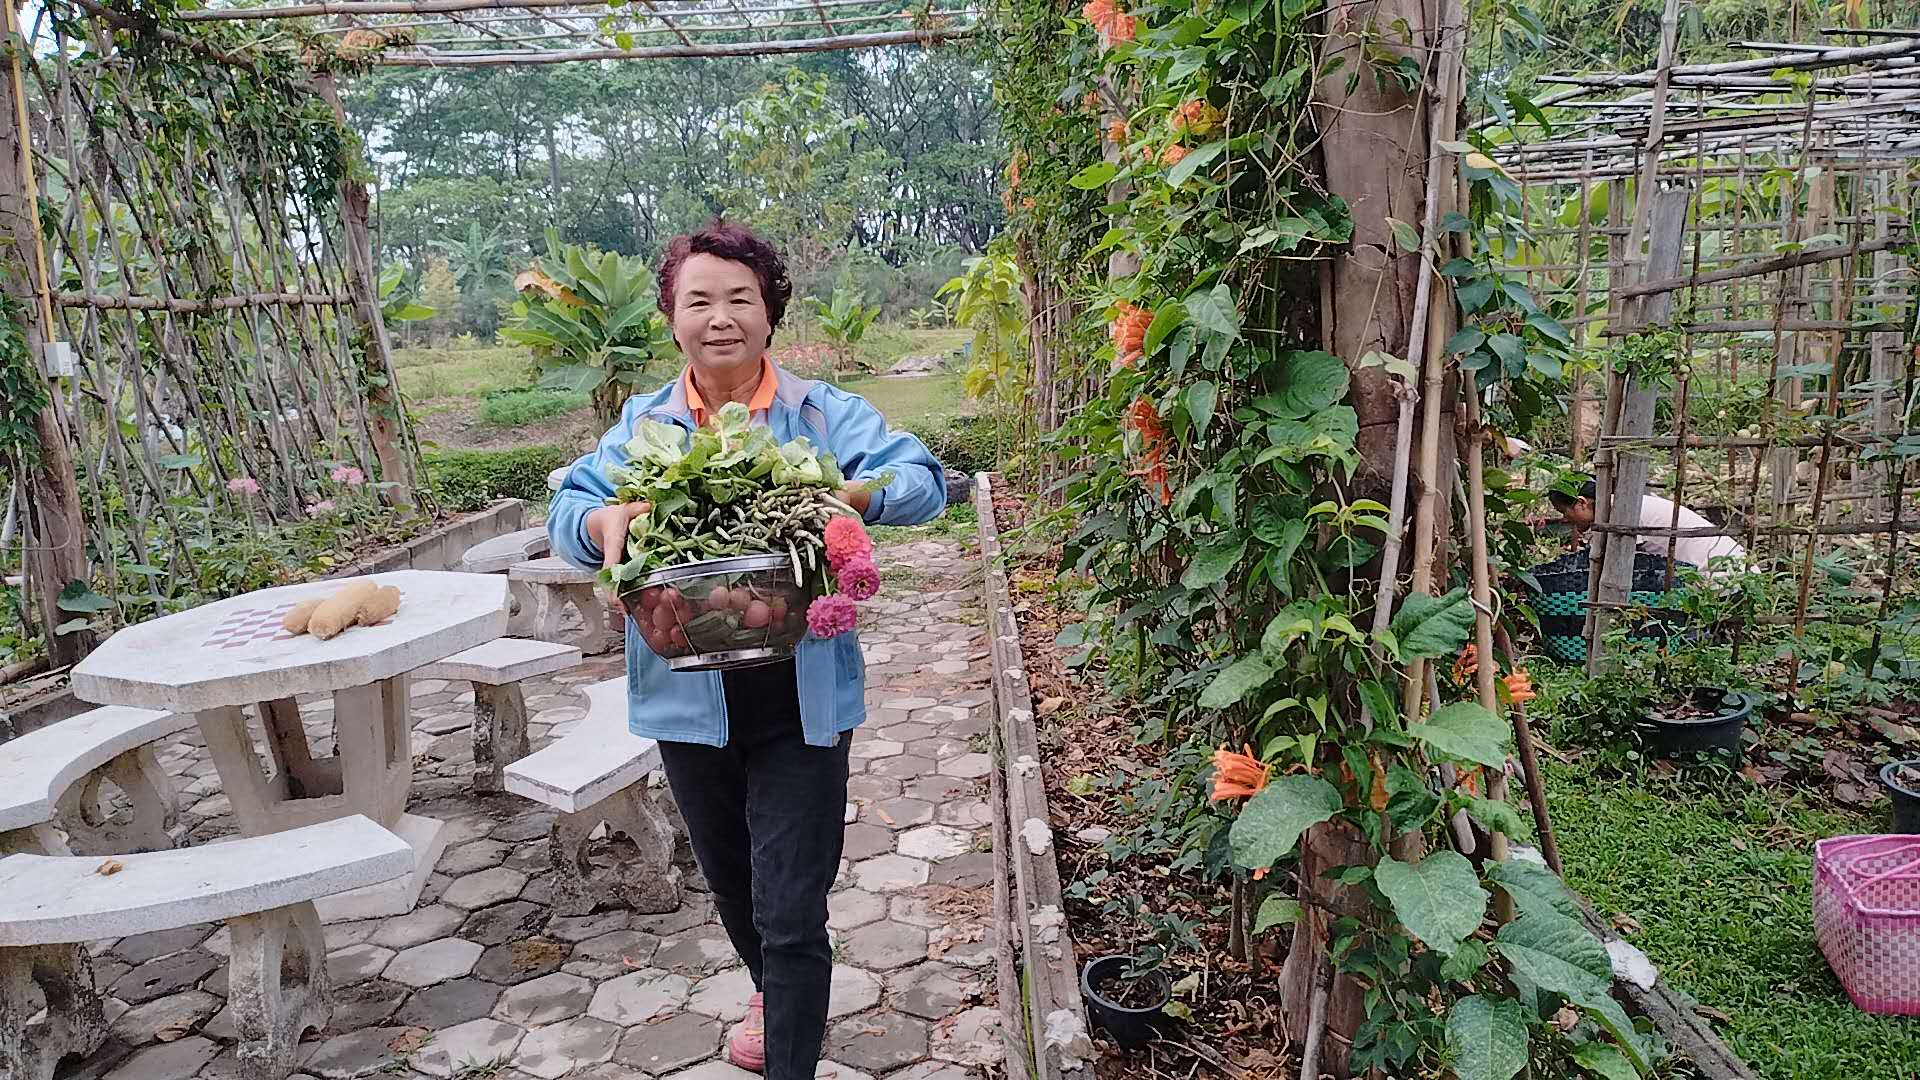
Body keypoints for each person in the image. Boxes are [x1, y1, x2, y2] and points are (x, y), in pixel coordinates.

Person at [548, 221, 946, 1079]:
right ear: (672, 319)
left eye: (740, 298)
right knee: (734, 887)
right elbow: (568, 513)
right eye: (699, 300)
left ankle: (790, 1046)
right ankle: (772, 991)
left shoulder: (823, 414)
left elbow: (924, 481)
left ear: (770, 314)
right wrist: (600, 520)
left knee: (792, 910)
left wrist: (852, 497)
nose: (720, 317)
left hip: (801, 697)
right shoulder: (642, 426)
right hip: (688, 698)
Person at [1548, 478, 1746, 573]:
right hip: (1731, 567)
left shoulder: (1622, 515)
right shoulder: (1623, 505)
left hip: (1722, 575)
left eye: (1563, 511)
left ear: (1582, 503)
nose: (1564, 519)